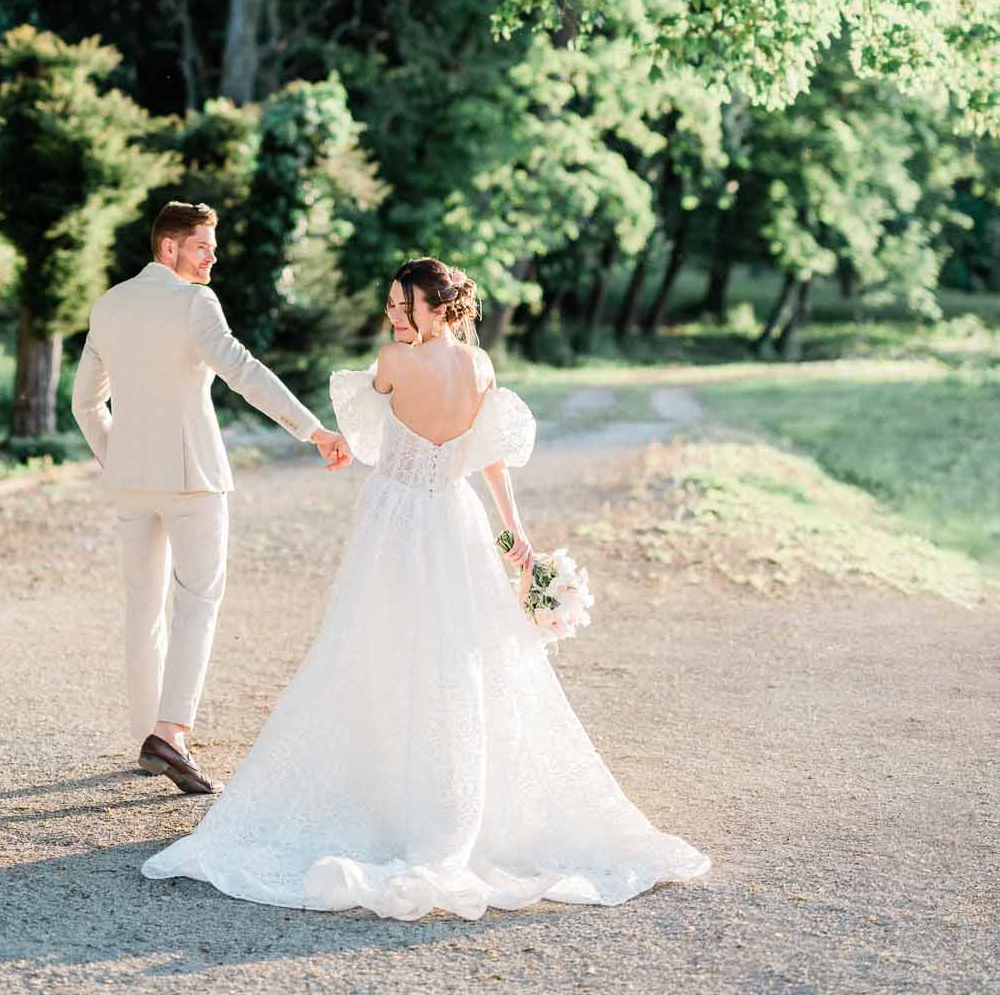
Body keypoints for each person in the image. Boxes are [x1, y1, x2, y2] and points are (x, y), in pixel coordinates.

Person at [140, 256, 711, 918]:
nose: (392, 314)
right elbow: (489, 458)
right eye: (389, 303)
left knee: (374, 646)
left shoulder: (391, 362)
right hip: (454, 515)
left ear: (435, 308)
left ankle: (389, 795)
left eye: (401, 304)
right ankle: (441, 797)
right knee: (457, 655)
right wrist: (514, 533)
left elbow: (369, 438)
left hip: (394, 515)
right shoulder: (480, 367)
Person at [71, 200, 352, 797]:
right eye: (202, 246)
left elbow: (85, 405)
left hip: (130, 480)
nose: (211, 258)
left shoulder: (110, 304)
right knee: (196, 603)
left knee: (141, 607)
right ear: (168, 248)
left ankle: (148, 734)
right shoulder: (195, 302)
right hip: (193, 477)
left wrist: (117, 456)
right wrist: (313, 430)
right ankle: (170, 735)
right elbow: (241, 370)